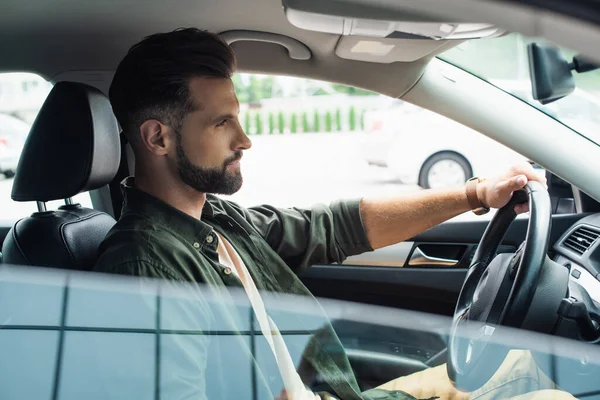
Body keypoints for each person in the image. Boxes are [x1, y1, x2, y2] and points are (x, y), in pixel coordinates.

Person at [94, 28, 572, 400]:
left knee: (524, 365)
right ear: (158, 138)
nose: (244, 140)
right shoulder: (146, 268)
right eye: (222, 123)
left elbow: (337, 226)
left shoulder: (217, 219)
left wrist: (475, 193)